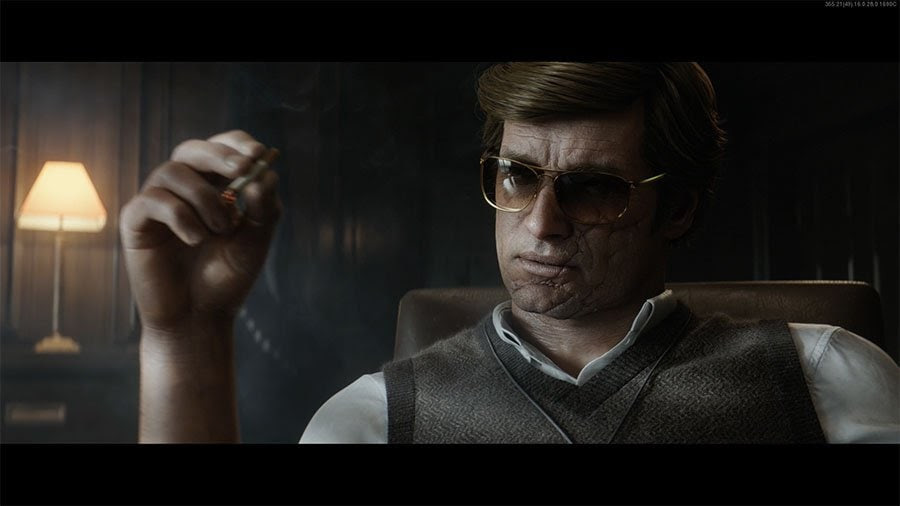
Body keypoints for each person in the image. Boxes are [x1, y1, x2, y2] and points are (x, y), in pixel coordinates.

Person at [121, 62, 899, 443]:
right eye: (518, 176)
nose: (542, 223)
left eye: (594, 188)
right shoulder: (377, 419)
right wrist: (184, 335)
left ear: (680, 206)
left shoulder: (826, 376)